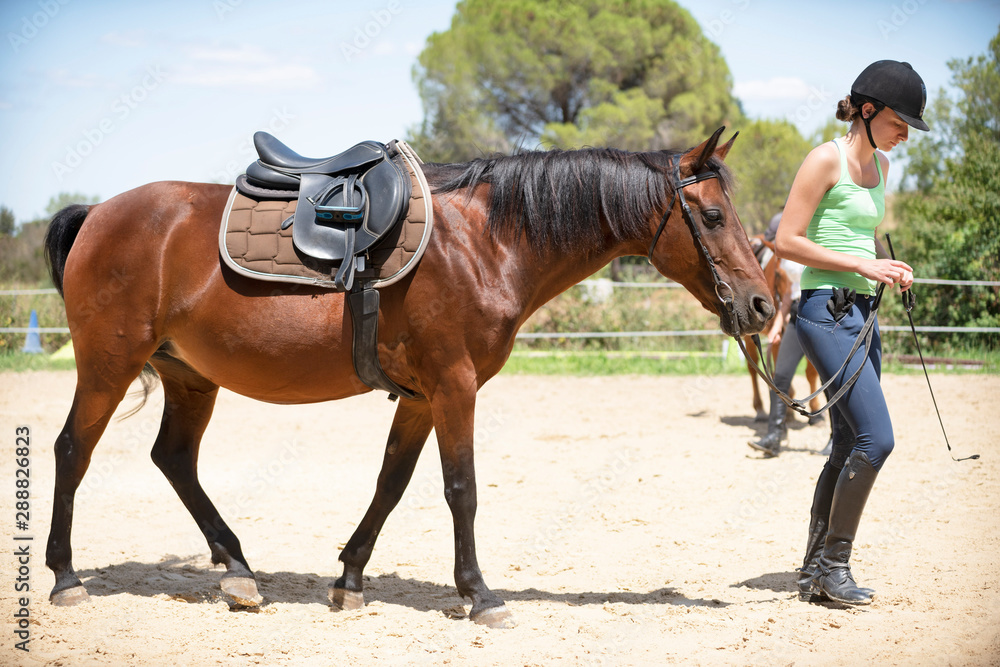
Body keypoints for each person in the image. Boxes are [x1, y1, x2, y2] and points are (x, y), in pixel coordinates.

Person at [775, 60, 927, 605]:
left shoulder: (881, 167)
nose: (905, 132)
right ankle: (833, 567)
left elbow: (860, 239)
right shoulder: (825, 159)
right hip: (825, 311)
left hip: (864, 314)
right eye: (900, 121)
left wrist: (889, 265)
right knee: (876, 438)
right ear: (867, 110)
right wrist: (861, 267)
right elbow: (786, 242)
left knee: (845, 442)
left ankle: (816, 570)